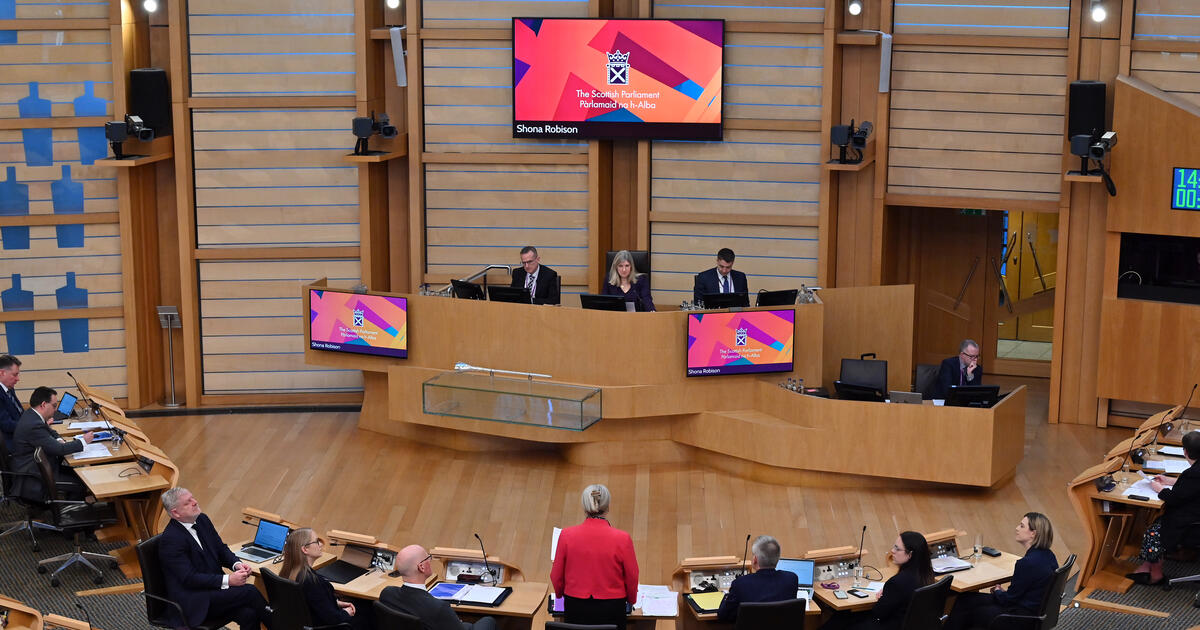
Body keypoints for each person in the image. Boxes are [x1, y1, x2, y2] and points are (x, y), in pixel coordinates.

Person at [157, 487, 273, 630]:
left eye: (192, 498)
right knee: (249, 592)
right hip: (194, 600)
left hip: (212, 590)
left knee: (249, 613)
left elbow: (220, 549)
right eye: (187, 502)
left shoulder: (202, 520)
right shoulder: (171, 540)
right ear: (176, 513)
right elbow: (189, 578)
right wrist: (229, 580)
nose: (195, 502)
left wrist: (236, 564)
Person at [944, 513, 1058, 630]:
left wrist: (998, 592)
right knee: (967, 599)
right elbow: (1021, 592)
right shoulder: (1049, 556)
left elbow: (1007, 600)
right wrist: (1003, 594)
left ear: (1033, 534)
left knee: (968, 605)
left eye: (1022, 526)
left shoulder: (1027, 563)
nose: (1017, 528)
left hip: (1018, 618)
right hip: (1035, 614)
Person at [551, 484, 639, 630]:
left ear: (585, 507)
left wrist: (560, 595)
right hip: (613, 609)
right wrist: (631, 600)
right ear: (608, 507)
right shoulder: (623, 538)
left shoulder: (566, 536)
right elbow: (632, 576)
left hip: (575, 607)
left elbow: (556, 575)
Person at [1126, 430, 1200, 586]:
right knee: (1158, 522)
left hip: (1192, 525)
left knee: (1153, 532)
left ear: (1185, 452)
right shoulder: (1195, 473)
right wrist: (1169, 481)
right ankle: (1146, 567)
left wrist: (1158, 488)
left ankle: (1156, 575)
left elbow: (1175, 498)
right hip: (1194, 517)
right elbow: (1191, 487)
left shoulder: (1193, 474)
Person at [820, 531, 935, 630]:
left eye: (897, 548)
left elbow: (878, 612)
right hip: (904, 625)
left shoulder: (898, 582)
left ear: (910, 555)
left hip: (887, 626)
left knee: (842, 616)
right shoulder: (927, 575)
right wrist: (888, 594)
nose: (892, 551)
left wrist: (883, 597)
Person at [378, 544, 497, 630]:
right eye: (427, 558)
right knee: (488, 620)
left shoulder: (387, 593)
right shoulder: (439, 608)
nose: (430, 560)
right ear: (422, 567)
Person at [10, 386, 93, 501]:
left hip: (40, 467)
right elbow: (60, 450)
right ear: (44, 404)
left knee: (81, 474)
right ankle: (67, 516)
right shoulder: (33, 424)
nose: (55, 410)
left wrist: (59, 439)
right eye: (54, 406)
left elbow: (50, 431)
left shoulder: (31, 414)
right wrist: (83, 441)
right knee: (82, 482)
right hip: (34, 475)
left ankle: (68, 507)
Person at [280, 527, 371, 630]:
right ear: (305, 549)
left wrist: (336, 602)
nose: (321, 544)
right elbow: (334, 619)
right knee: (370, 609)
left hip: (308, 623)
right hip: (329, 625)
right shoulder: (311, 582)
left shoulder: (289, 573)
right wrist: (346, 612)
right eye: (317, 542)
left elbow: (312, 602)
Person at [716, 535, 799, 623]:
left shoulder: (740, 584)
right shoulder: (791, 579)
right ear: (778, 558)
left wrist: (726, 596)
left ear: (755, 559)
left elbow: (723, 616)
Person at [0, 354, 22, 453]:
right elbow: (6, 424)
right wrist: (30, 425)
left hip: (21, 437)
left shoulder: (9, 388)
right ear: (2, 373)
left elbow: (20, 413)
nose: (18, 379)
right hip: (12, 446)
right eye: (15, 374)